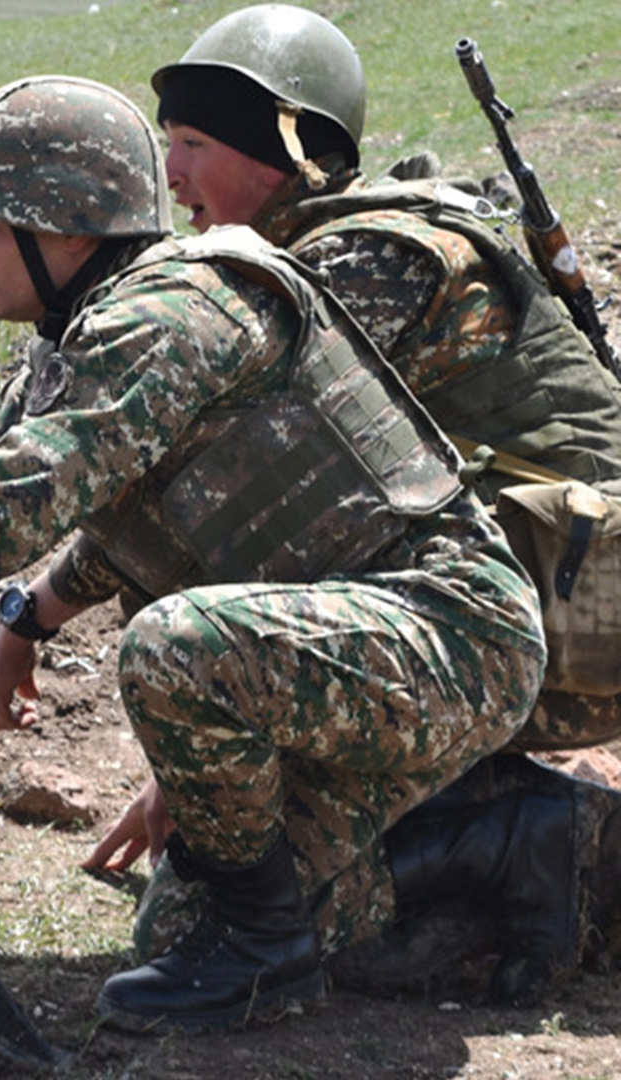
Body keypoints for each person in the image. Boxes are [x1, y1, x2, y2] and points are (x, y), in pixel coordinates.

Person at [0, 73, 545, 1032]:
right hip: (345, 647)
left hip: (455, 635)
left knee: (175, 646)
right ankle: (513, 837)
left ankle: (269, 949)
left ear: (72, 230)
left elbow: (25, 497)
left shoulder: (174, 316)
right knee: (173, 935)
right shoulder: (85, 336)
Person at [84, 2, 621, 1004]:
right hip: (538, 593)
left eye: (194, 144)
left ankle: (526, 839)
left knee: (230, 920)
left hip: (581, 607)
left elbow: (219, 471)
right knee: (204, 907)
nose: (172, 177)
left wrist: (194, 696)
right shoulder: (313, 253)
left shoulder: (368, 263)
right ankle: (525, 848)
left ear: (286, 143)